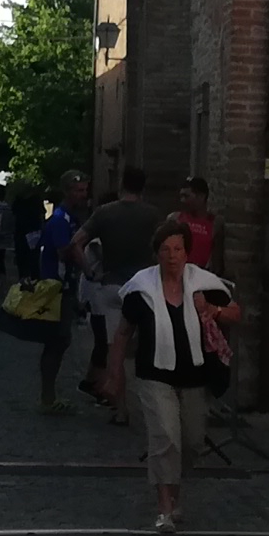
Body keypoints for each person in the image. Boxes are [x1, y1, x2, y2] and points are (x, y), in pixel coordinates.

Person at [118, 217, 238, 534]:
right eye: (166, 250)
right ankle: (164, 509)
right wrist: (113, 373)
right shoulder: (141, 288)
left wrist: (212, 310)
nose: (172, 256)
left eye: (178, 249)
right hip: (154, 374)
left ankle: (175, 491)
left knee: (192, 441)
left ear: (187, 253)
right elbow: (123, 333)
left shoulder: (203, 283)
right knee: (165, 438)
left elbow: (236, 312)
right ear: (157, 253)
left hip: (195, 377)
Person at [76, 165, 165, 424]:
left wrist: (90, 271)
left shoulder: (105, 213)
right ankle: (158, 408)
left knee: (115, 349)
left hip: (112, 285)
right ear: (143, 187)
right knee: (152, 348)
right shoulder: (153, 215)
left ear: (122, 184)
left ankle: (121, 408)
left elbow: (75, 242)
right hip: (144, 287)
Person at [30, 170, 89, 411]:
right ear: (67, 192)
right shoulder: (60, 219)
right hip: (56, 288)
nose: (83, 195)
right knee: (56, 341)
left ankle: (49, 396)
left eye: (84, 190)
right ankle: (47, 397)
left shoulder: (71, 218)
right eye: (78, 191)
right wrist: (86, 262)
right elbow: (65, 252)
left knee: (60, 341)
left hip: (66, 287)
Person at [174, 177, 218, 271]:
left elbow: (217, 260)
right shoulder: (175, 219)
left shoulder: (214, 223)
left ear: (201, 196)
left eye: (186, 196)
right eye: (181, 196)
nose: (182, 200)